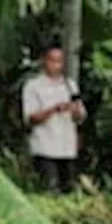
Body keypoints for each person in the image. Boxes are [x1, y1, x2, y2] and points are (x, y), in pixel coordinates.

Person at [22, 46, 86, 193]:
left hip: (67, 148)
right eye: (53, 60)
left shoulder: (70, 85)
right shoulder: (33, 86)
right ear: (44, 61)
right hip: (45, 147)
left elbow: (80, 116)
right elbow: (30, 118)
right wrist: (54, 109)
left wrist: (75, 111)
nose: (56, 65)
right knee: (50, 189)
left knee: (69, 189)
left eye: (60, 61)